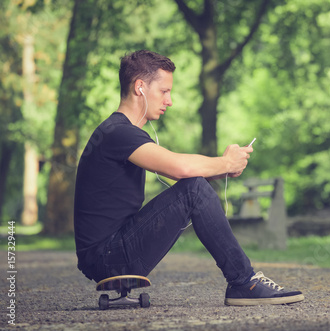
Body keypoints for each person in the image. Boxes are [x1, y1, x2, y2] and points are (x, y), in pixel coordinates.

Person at [73, 50, 304, 306]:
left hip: (108, 254)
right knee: (193, 188)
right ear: (140, 87)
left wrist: (222, 168)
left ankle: (244, 281)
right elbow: (178, 168)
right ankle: (244, 282)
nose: (169, 101)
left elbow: (182, 171)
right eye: (164, 91)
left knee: (195, 187)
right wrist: (225, 162)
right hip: (108, 256)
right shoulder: (118, 133)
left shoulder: (116, 131)